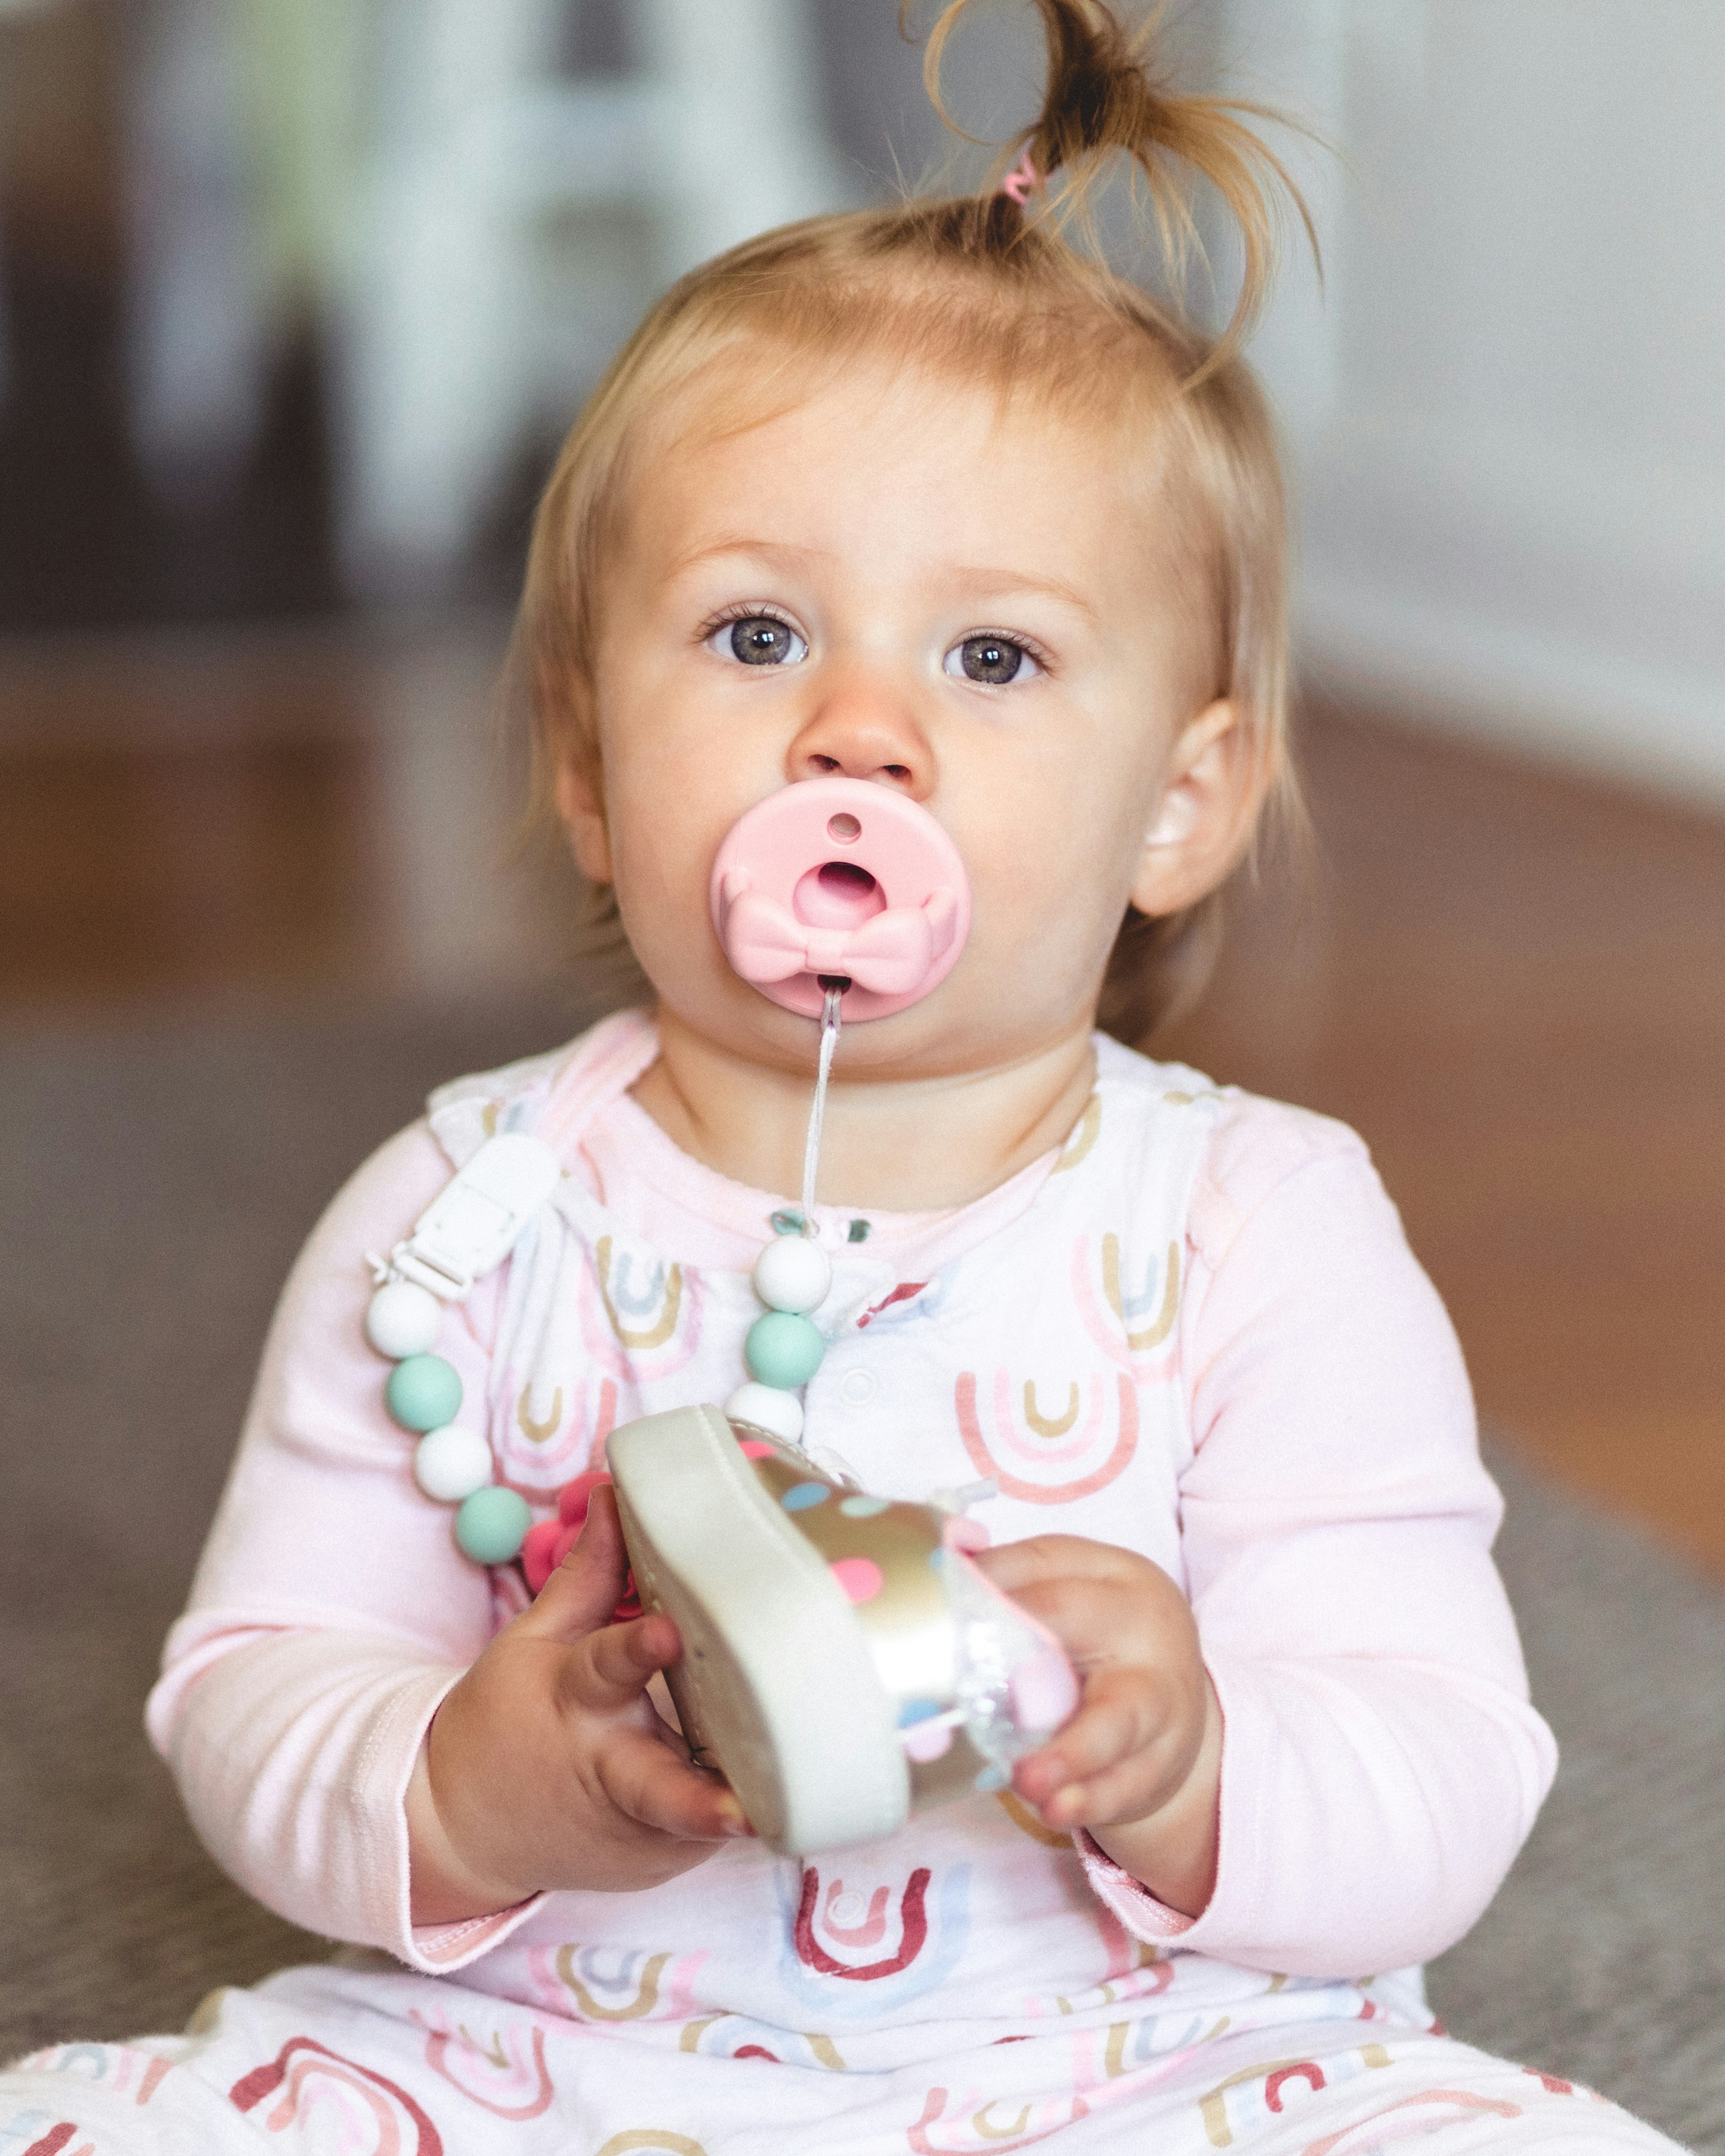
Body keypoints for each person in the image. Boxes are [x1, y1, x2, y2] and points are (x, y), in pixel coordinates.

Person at [0, 4, 1686, 2151]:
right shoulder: (461, 1225)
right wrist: (470, 1779)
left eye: (989, 659)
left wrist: (1196, 1761)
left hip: (1139, 2067)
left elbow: (1445, 1760)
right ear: (591, 770)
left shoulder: (1257, 1231)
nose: (856, 737)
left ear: (1182, 805)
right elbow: (250, 1686)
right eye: (756, 635)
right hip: (537, 2061)